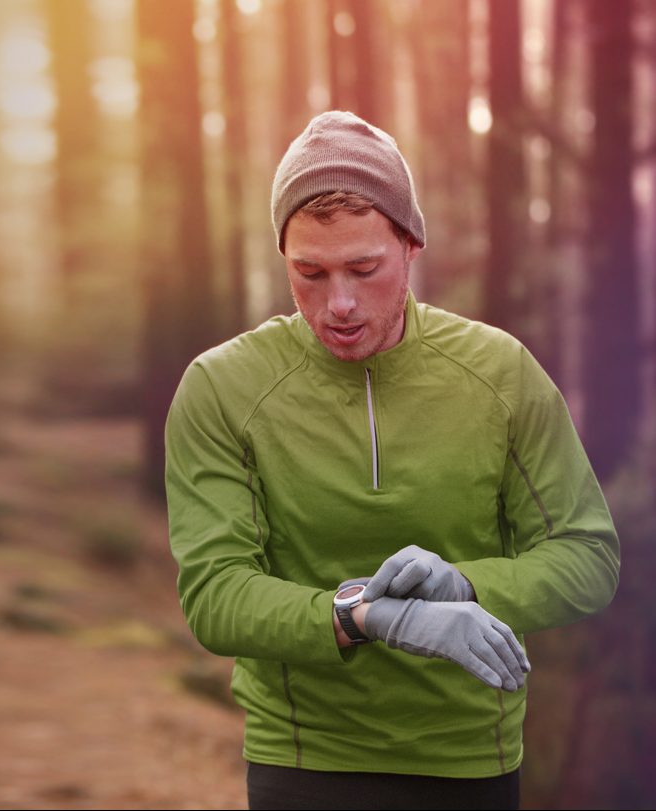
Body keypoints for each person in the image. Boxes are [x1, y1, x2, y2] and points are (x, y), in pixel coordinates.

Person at [163, 110, 620, 810]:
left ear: (411, 245)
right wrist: (368, 615)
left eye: (363, 268)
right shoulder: (223, 386)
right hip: (303, 757)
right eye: (308, 272)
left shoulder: (500, 372)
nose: (338, 303)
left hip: (470, 759)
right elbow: (216, 594)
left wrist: (464, 586)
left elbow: (588, 557)